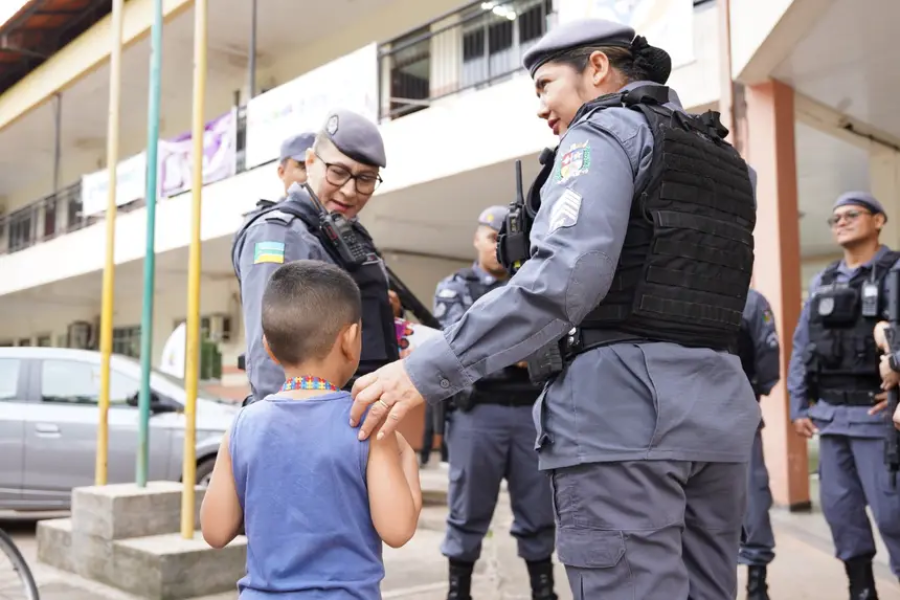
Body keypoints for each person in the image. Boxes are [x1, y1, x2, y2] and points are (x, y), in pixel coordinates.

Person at [349, 18, 760, 599]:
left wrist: (425, 369)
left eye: (545, 85)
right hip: (718, 419)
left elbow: (563, 280)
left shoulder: (603, 134)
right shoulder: (727, 162)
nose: (541, 106)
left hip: (622, 422)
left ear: (596, 67)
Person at [200, 259, 422, 597]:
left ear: (268, 348)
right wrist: (405, 455)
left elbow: (215, 531)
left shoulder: (243, 424)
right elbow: (398, 529)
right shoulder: (367, 424)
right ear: (351, 338)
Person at [232, 109, 400, 404]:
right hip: (310, 421)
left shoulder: (344, 232)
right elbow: (271, 353)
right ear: (311, 162)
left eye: (366, 179)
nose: (350, 191)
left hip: (356, 413)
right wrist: (290, 426)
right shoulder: (281, 234)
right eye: (338, 172)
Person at [433, 205, 557, 600]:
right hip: (477, 414)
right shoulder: (455, 286)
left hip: (530, 414)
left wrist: (497, 345)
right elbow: (459, 344)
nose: (497, 246)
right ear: (476, 239)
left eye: (505, 238)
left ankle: (544, 591)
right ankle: (459, 592)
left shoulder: (537, 285)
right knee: (468, 510)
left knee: (538, 512)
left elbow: (551, 341)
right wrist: (519, 345)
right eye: (491, 237)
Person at [789, 191, 900, 598]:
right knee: (842, 514)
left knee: (893, 515)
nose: (841, 221)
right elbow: (803, 345)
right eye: (834, 217)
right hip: (832, 418)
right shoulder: (824, 281)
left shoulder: (895, 272)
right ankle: (861, 589)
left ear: (878, 220)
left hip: (881, 420)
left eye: (852, 214)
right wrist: (797, 402)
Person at [737, 288, 781, 600]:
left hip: (680, 417)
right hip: (738, 410)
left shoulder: (752, 301)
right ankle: (756, 588)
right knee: (751, 497)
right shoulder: (749, 299)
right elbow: (767, 363)